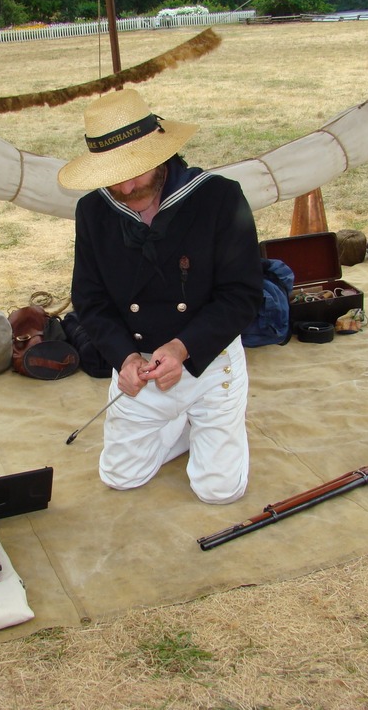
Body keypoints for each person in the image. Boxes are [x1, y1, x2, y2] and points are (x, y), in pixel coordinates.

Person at [58, 89, 264, 504]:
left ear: (161, 154)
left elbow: (243, 295)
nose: (126, 185)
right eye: (113, 173)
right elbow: (91, 301)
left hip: (207, 358)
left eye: (135, 169)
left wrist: (182, 347)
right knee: (120, 477)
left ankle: (207, 418)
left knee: (218, 491)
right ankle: (185, 426)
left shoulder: (219, 198)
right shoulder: (93, 211)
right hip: (139, 363)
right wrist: (124, 358)